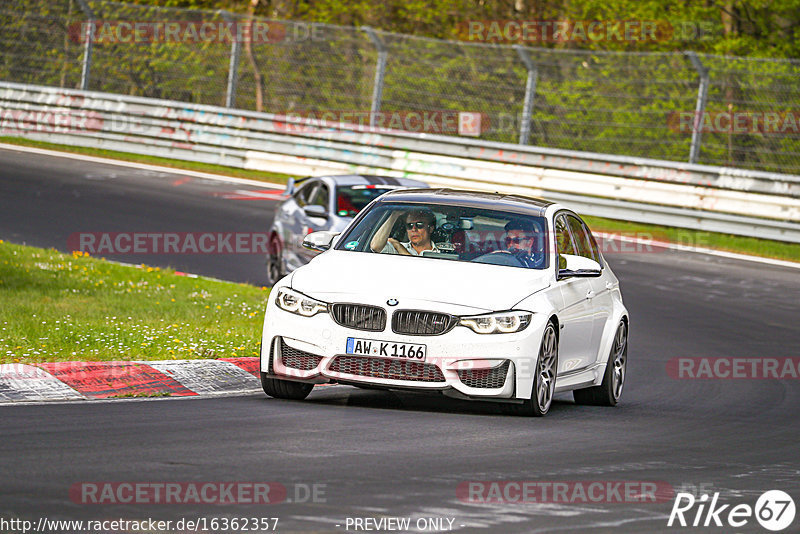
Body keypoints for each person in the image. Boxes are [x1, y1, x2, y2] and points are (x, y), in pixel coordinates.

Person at [370, 208, 440, 256]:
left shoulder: (441, 252)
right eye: (410, 225)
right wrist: (394, 215)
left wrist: (398, 246)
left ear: (431, 229)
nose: (414, 229)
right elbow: (375, 247)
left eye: (419, 225)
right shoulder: (394, 248)